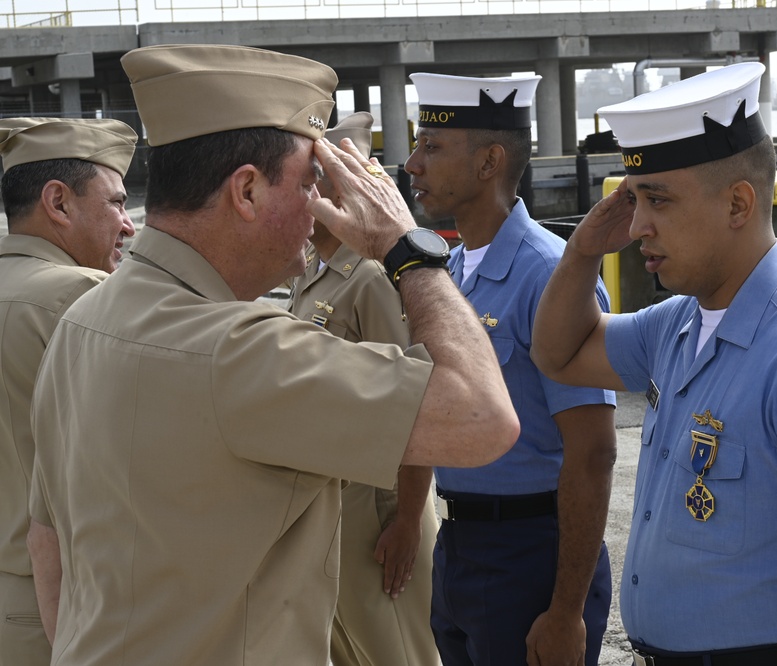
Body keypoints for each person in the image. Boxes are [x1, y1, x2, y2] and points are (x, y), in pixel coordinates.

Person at [26, 44, 518, 666]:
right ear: (248, 192)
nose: (324, 209)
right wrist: (407, 249)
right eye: (312, 184)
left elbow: (48, 545)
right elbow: (483, 418)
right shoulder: (236, 348)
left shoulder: (81, 321)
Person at [530, 62, 777, 665]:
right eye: (634, 200)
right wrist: (583, 250)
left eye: (657, 200)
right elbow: (558, 354)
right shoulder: (680, 323)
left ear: (739, 203)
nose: (637, 226)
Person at [404, 72, 616, 666]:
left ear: (488, 161)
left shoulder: (550, 275)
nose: (412, 163)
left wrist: (567, 610)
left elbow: (594, 450)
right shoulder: (453, 272)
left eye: (433, 147)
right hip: (462, 544)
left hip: (530, 551)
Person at [288, 111, 440, 666]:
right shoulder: (313, 268)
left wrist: (406, 521)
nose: (303, 195)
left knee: (398, 651)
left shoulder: (374, 275)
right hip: (335, 506)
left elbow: (419, 400)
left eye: (312, 182)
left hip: (381, 511)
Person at [0, 117, 136, 666]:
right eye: (116, 204)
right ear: (58, 202)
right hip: (63, 602)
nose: (128, 225)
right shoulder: (82, 296)